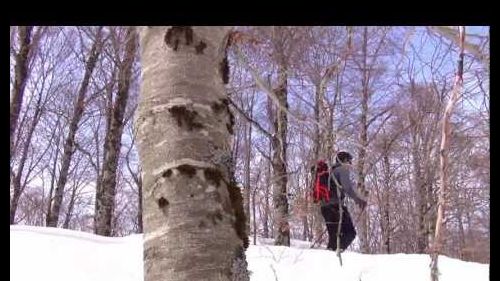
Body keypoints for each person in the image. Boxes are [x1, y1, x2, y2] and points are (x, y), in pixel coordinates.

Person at [315, 151, 367, 252]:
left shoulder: (331, 172)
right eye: (349, 161)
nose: (350, 164)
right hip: (335, 207)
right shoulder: (342, 170)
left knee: (333, 238)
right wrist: (359, 200)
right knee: (350, 233)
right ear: (344, 160)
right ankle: (335, 254)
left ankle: (330, 256)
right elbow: (347, 188)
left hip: (325, 208)